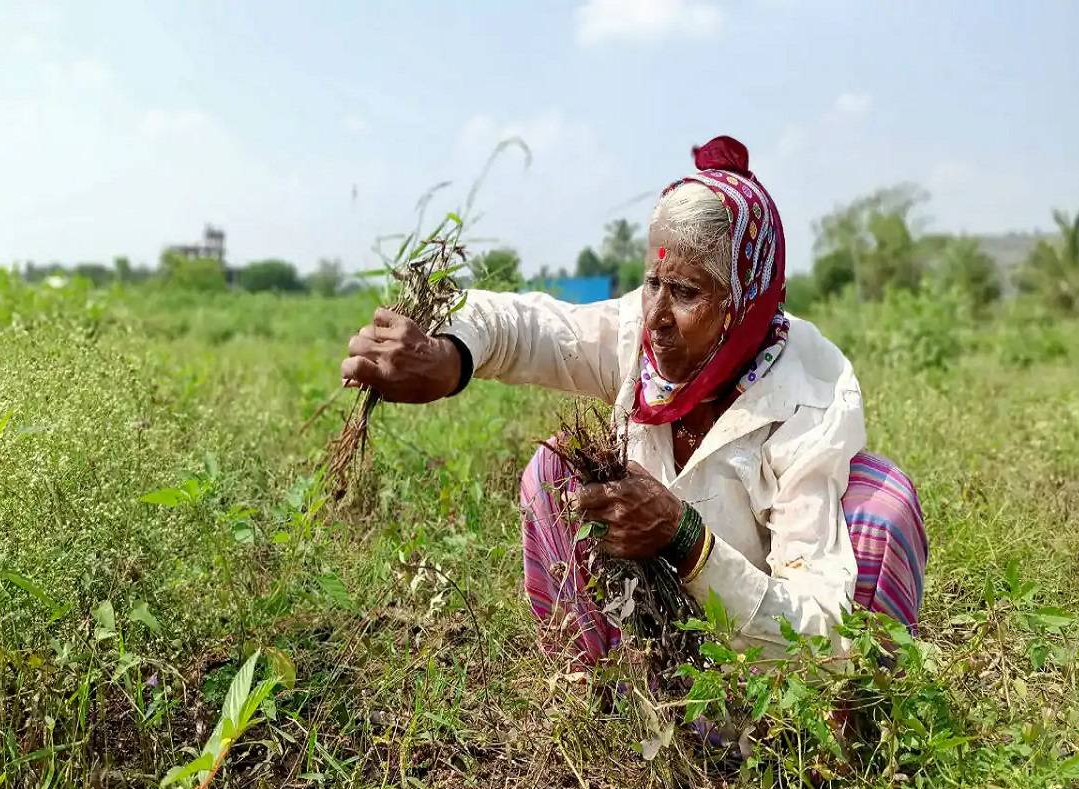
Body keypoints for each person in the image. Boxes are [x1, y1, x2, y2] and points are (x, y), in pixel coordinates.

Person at [341, 135, 928, 664]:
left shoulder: (806, 398)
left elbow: (821, 631)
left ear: (743, 301)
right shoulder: (640, 336)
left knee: (881, 505)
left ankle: (836, 743)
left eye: (687, 292)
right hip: (657, 628)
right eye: (653, 283)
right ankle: (606, 692)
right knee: (555, 469)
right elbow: (524, 325)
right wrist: (447, 359)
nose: (655, 316)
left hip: (767, 663)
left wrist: (686, 539)